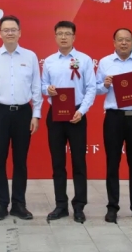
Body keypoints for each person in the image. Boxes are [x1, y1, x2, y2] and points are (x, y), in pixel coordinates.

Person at [0, 15, 42, 221]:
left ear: (20, 32)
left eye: (13, 29)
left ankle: (18, 204)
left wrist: (36, 114)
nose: (9, 33)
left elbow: (36, 87)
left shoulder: (30, 56)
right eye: (5, 30)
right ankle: (1, 204)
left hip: (23, 112)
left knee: (20, 160)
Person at [95, 28, 132, 224]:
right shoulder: (105, 62)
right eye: (120, 40)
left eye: (127, 40)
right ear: (114, 42)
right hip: (113, 118)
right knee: (112, 163)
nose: (123, 43)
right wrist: (105, 85)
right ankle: (112, 207)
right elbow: (96, 89)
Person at [41, 21, 96, 223]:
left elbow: (91, 88)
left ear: (74, 37)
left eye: (67, 33)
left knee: (79, 162)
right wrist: (48, 90)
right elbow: (42, 85)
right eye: (60, 33)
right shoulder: (49, 61)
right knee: (58, 163)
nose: (63, 37)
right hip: (55, 115)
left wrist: (81, 111)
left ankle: (79, 206)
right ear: (55, 36)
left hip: (77, 114)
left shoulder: (85, 60)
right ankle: (60, 205)